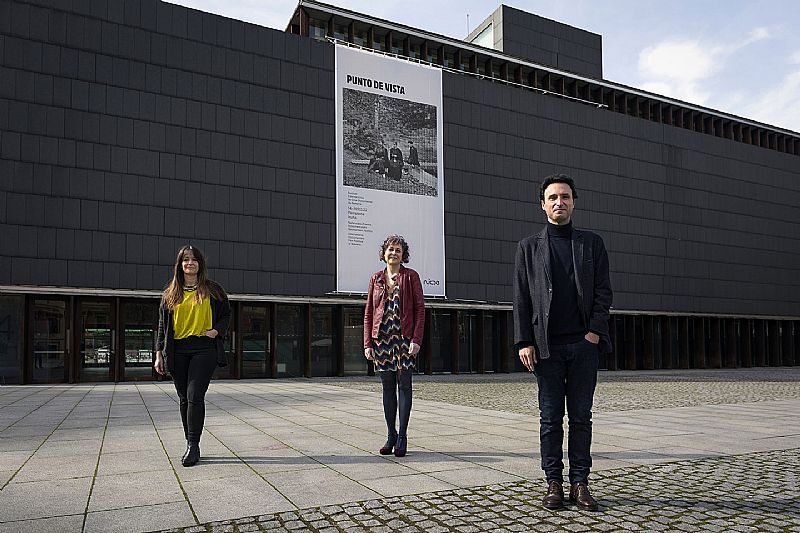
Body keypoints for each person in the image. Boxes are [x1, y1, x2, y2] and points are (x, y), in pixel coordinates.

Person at [513, 174, 612, 511]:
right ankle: (553, 482)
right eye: (553, 197)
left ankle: (580, 483)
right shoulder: (528, 247)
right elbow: (522, 298)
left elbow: (603, 292)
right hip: (546, 349)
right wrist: (524, 341)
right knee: (550, 419)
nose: (559, 202)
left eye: (565, 197)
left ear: (574, 202)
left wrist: (593, 334)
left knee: (581, 418)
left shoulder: (591, 244)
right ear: (542, 205)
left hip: (583, 346)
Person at [154, 245, 231, 467]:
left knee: (195, 395)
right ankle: (190, 442)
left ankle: (193, 445)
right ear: (180, 265)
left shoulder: (213, 290)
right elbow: (162, 326)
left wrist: (216, 331)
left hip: (204, 348)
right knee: (183, 398)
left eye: (194, 259)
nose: (190, 263)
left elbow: (226, 314)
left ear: (200, 264)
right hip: (177, 349)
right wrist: (159, 354)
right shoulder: (170, 293)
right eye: (186, 259)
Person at [363, 235, 425, 457]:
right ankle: (391, 434)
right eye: (390, 249)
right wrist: (368, 343)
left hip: (404, 340)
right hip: (382, 340)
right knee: (387, 388)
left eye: (398, 250)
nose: (394, 253)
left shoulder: (410, 277)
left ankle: (402, 437)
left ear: (403, 254)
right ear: (384, 253)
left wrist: (416, 339)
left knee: (404, 386)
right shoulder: (376, 278)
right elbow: (369, 312)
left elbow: (420, 310)